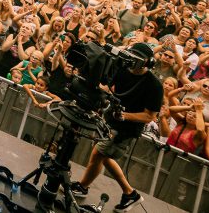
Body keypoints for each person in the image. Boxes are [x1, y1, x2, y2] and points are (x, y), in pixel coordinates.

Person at [70, 43, 163, 211]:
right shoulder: (122, 68)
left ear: (146, 63)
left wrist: (124, 116)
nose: (131, 62)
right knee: (100, 156)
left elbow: (151, 116)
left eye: (136, 59)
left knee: (100, 154)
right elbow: (108, 87)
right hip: (110, 120)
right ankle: (124, 193)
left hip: (126, 129)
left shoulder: (154, 85)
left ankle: (124, 192)